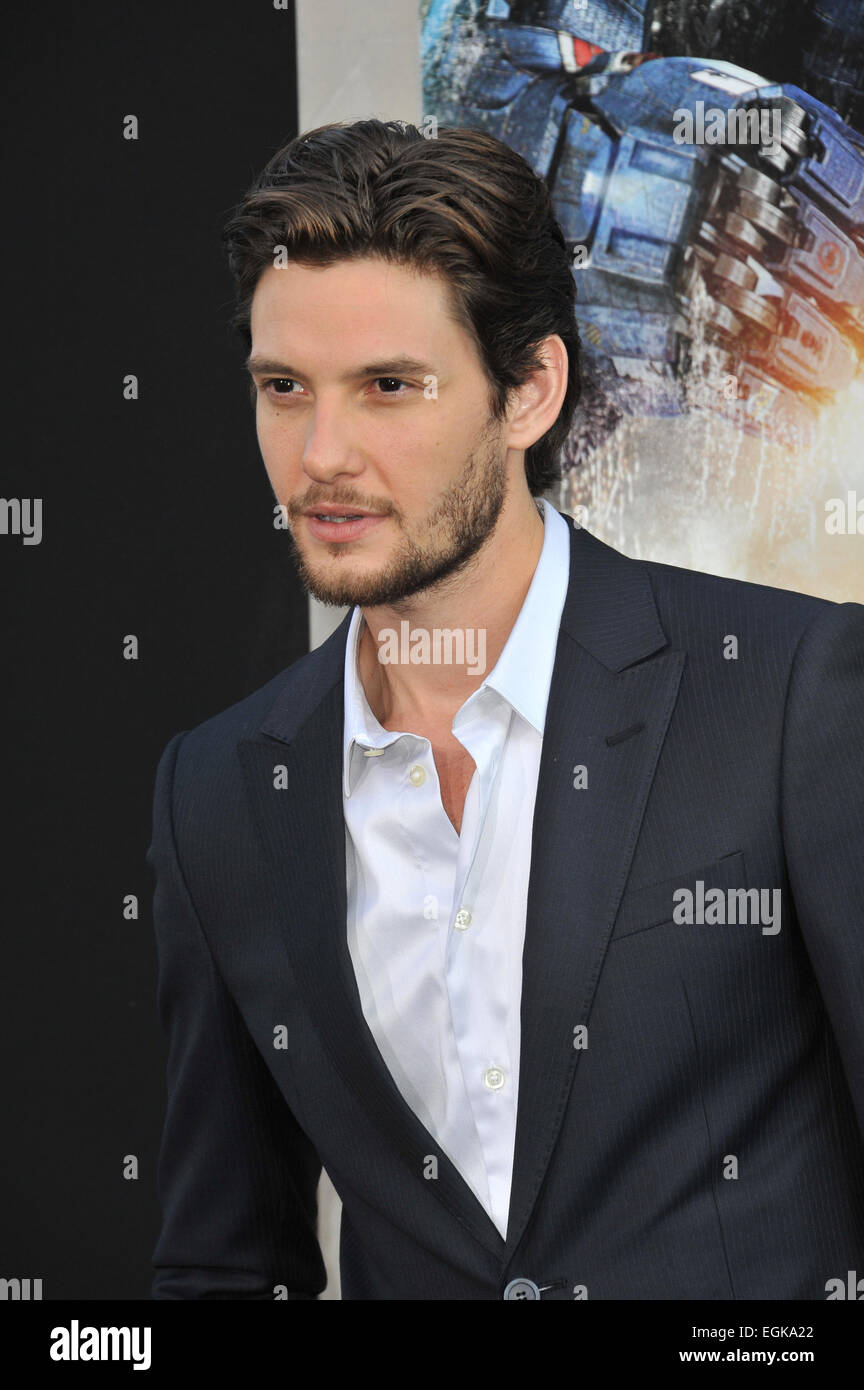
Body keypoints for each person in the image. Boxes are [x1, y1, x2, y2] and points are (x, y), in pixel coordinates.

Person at [148, 118, 864, 1300]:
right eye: (284, 388)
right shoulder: (217, 789)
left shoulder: (789, 693)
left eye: (389, 387)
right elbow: (224, 1260)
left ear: (529, 389)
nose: (322, 455)